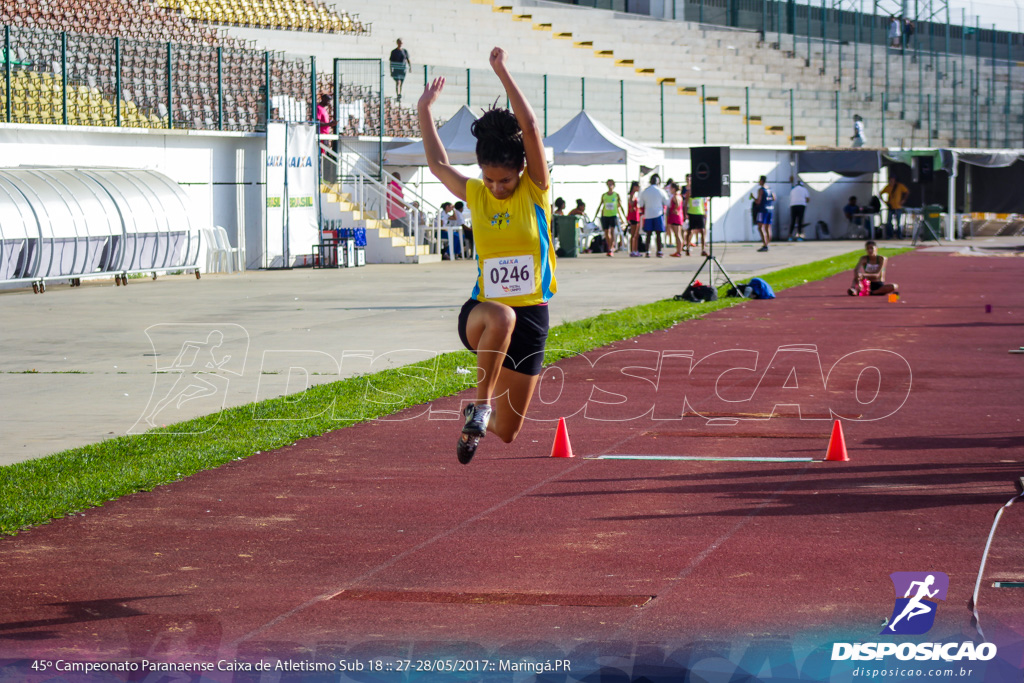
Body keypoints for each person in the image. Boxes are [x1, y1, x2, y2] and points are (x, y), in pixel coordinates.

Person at [417, 47, 555, 465]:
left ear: (522, 172)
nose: (497, 188)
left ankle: (479, 417)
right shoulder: (476, 195)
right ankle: (480, 405)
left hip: (532, 317)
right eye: (489, 179)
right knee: (502, 316)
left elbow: (529, 127)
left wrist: (502, 72)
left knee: (510, 434)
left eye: (505, 180)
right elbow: (438, 163)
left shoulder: (535, 191)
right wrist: (424, 109)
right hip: (483, 315)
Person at [639, 174, 669, 258]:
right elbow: (667, 202)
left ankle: (648, 251)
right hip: (658, 214)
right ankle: (659, 251)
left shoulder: (645, 191)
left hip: (648, 215)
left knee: (648, 234)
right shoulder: (661, 191)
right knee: (658, 234)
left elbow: (641, 204)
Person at [596, 179, 626, 257]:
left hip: (613, 215)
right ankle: (610, 246)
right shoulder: (604, 195)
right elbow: (600, 205)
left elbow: (620, 207)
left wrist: (624, 217)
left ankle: (611, 247)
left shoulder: (616, 195)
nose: (610, 186)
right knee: (606, 232)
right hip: (605, 215)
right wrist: (595, 215)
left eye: (611, 184)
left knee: (612, 231)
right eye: (609, 184)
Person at [879, 172, 909, 239]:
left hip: (898, 207)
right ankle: (890, 235)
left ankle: (899, 236)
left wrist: (903, 200)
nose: (891, 180)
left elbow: (906, 192)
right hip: (891, 207)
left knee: (898, 223)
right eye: (890, 179)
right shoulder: (888, 187)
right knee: (889, 222)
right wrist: (885, 202)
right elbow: (880, 194)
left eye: (892, 179)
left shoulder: (899, 186)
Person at [684, 174, 707, 257]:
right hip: (692, 213)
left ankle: (703, 249)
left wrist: (704, 212)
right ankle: (687, 248)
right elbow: (685, 203)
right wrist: (685, 213)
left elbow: (703, 202)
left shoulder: (701, 190)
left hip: (700, 213)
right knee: (691, 231)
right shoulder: (689, 192)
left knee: (703, 231)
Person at [752, 175, 775, 252]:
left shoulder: (761, 190)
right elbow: (774, 198)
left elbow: (758, 201)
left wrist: (753, 198)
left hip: (763, 210)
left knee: (760, 227)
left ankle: (765, 244)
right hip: (770, 209)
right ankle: (767, 244)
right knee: (768, 228)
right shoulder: (770, 189)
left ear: (761, 181)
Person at [666, 181, 685, 257]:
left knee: (677, 234)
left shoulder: (675, 196)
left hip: (675, 217)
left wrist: (675, 209)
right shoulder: (679, 196)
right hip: (678, 217)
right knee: (678, 234)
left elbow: (677, 203)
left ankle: (679, 251)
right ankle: (678, 250)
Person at [626, 180, 642, 257]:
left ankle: (635, 250)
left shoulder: (635, 195)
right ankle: (633, 250)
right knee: (634, 235)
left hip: (636, 216)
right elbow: (631, 204)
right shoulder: (632, 195)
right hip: (634, 217)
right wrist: (633, 207)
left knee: (636, 235)